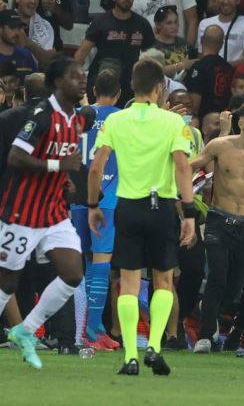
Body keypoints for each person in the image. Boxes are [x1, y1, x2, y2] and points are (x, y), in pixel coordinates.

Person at [87, 58, 196, 376]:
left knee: (129, 283)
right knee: (163, 280)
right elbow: (182, 166)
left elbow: (96, 167)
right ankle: (155, 347)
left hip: (128, 206)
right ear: (160, 88)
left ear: (132, 87)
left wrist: (93, 205)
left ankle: (131, 356)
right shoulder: (173, 122)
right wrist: (189, 213)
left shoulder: (116, 121)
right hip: (161, 206)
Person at [0, 57, 87, 369]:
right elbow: (15, 157)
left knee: (73, 273)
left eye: (83, 75)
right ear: (58, 82)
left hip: (53, 212)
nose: (82, 80)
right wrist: (58, 166)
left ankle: (25, 330)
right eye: (75, 76)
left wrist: (64, 181)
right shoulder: (41, 116)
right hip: (22, 211)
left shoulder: (76, 120)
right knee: (7, 282)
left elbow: (60, 160)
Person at [189, 102, 244, 353]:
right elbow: (190, 166)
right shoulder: (220, 145)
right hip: (218, 219)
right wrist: (180, 196)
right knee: (217, 276)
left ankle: (211, 314)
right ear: (241, 122)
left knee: (235, 286)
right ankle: (205, 336)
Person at [69, 69, 122, 351]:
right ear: (119, 93)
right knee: (101, 259)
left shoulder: (77, 115)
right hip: (106, 199)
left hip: (77, 196)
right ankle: (90, 330)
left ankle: (96, 326)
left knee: (84, 260)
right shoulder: (122, 118)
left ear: (93, 89)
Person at [74, 0, 155, 104]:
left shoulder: (142, 24)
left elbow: (152, 58)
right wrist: (74, 80)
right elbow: (81, 54)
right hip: (101, 82)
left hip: (130, 84)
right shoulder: (100, 21)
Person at [185, 25, 234, 119]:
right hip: (224, 118)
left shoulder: (199, 66)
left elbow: (194, 103)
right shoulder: (228, 68)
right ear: (221, 44)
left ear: (201, 39)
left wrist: (190, 121)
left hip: (204, 120)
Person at [13, 0, 57, 67]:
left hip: (35, 72)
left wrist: (27, 42)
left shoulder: (46, 26)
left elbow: (47, 60)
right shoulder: (5, 21)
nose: (33, 1)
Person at [151, 5, 198, 80]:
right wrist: (182, 65)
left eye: (176, 22)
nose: (174, 26)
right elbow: (154, 73)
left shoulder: (183, 43)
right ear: (158, 25)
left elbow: (195, 60)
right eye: (169, 23)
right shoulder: (151, 47)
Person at [0, 10, 37, 82]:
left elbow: (34, 85)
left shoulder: (26, 55)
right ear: (1, 29)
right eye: (12, 27)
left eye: (19, 28)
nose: (17, 32)